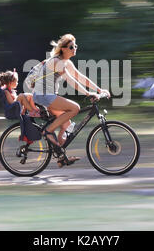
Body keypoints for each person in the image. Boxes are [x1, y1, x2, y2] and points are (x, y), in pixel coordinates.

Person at [32, 34, 110, 167]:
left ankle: (60, 156)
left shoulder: (66, 62)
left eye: (75, 46)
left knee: (66, 125)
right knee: (75, 108)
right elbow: (70, 81)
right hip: (43, 95)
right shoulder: (57, 62)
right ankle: (48, 131)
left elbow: (80, 77)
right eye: (71, 47)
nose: (74, 48)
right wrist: (88, 93)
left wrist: (98, 90)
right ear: (63, 49)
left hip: (48, 94)